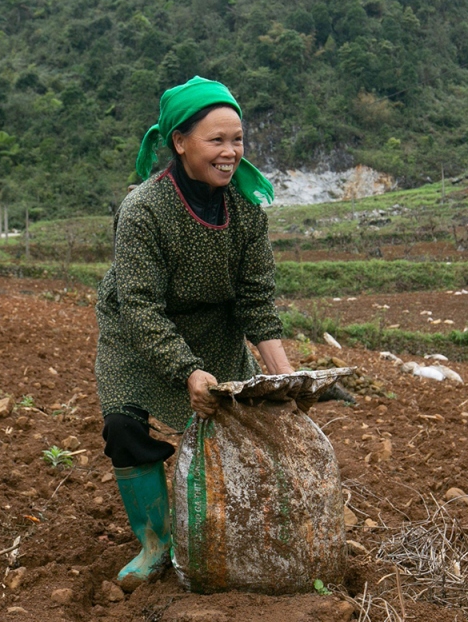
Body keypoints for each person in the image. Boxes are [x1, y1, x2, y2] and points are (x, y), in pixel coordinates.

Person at [93, 76, 294, 590]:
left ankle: (230, 531)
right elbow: (140, 305)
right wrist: (187, 372)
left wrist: (287, 381)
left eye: (238, 140)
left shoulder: (246, 206)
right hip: (140, 332)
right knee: (124, 427)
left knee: (238, 423)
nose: (231, 153)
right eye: (217, 140)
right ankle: (156, 543)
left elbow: (256, 300)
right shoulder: (142, 210)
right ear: (179, 142)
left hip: (215, 328)